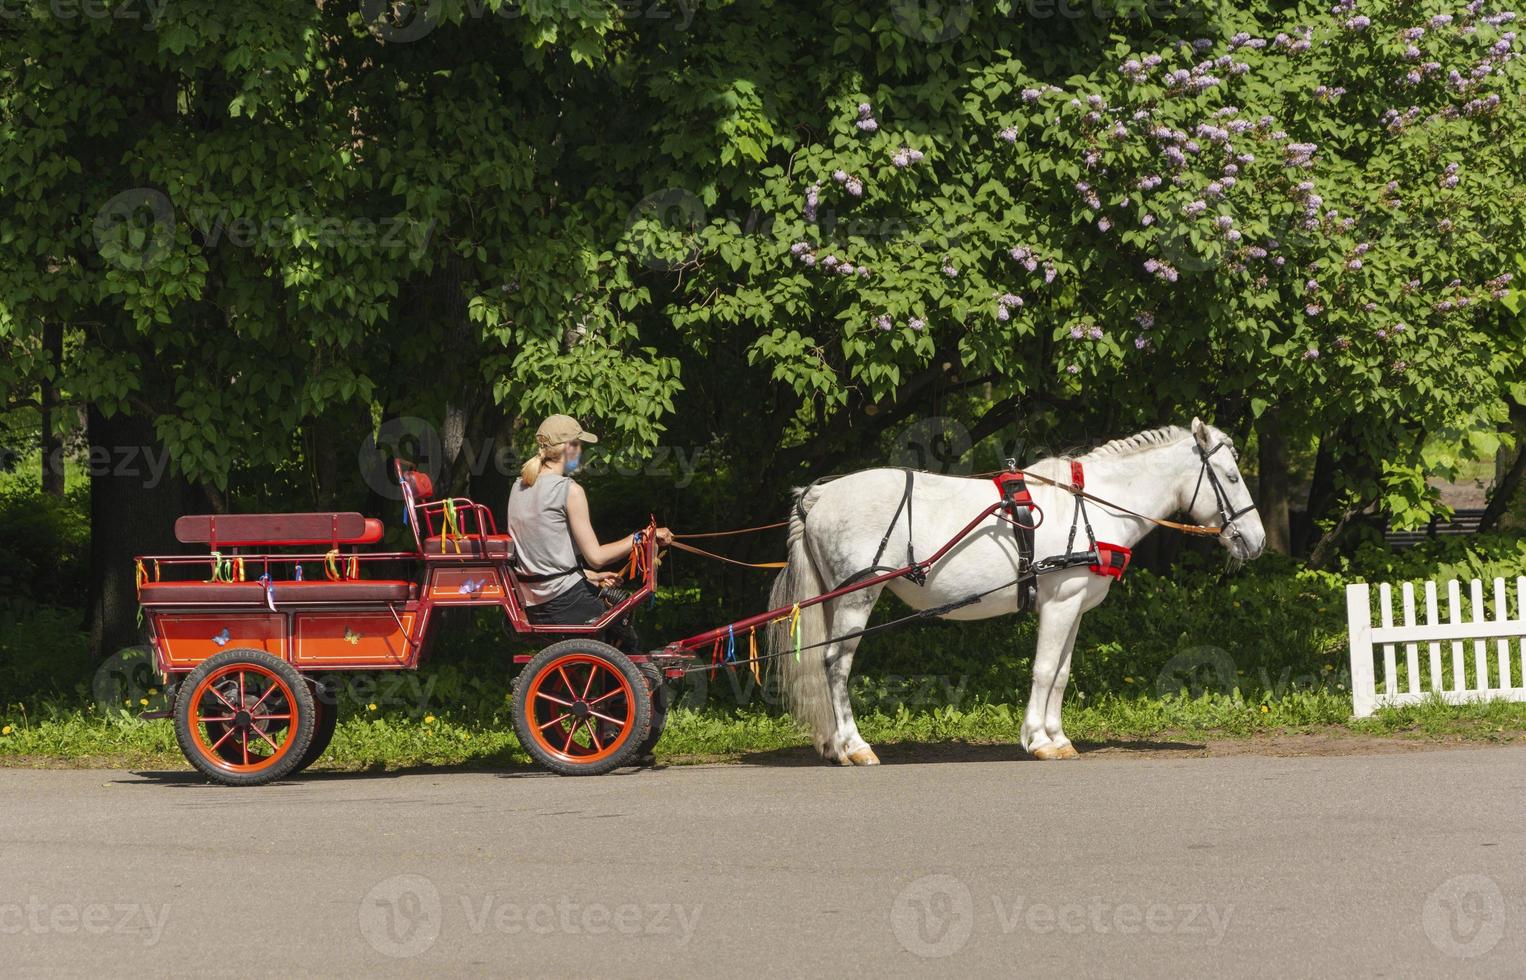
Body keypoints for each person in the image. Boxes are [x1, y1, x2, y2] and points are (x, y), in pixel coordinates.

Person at [506, 414, 672, 650]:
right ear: (568, 448)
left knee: (615, 601)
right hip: (562, 601)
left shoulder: (518, 487)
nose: (582, 450)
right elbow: (597, 557)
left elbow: (540, 557)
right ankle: (639, 682)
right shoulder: (569, 490)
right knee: (626, 630)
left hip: (532, 603)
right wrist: (644, 536)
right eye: (579, 444)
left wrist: (591, 576)